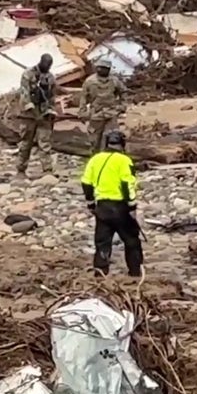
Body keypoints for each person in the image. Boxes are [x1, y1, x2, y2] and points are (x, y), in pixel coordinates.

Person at [80, 130, 143, 277]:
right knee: (132, 240)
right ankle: (135, 272)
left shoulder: (95, 159)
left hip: (102, 207)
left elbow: (86, 182)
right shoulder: (124, 160)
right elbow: (128, 184)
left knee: (102, 242)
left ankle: (100, 274)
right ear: (122, 144)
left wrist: (90, 203)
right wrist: (132, 206)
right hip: (120, 207)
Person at [16, 53, 57, 176]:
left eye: (49, 65)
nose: (47, 67)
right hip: (29, 115)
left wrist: (50, 111)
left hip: (43, 114)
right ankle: (21, 169)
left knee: (45, 143)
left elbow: (52, 97)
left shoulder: (50, 78)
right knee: (26, 143)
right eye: (46, 64)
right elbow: (25, 96)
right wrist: (34, 114)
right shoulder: (28, 74)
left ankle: (47, 170)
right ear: (41, 62)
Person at [80, 58, 127, 154]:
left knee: (112, 138)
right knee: (94, 140)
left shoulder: (114, 80)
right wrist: (82, 112)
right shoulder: (90, 81)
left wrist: (123, 105)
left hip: (111, 113)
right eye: (99, 67)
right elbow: (83, 97)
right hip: (96, 114)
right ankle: (95, 159)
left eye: (104, 68)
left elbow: (123, 92)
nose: (101, 70)